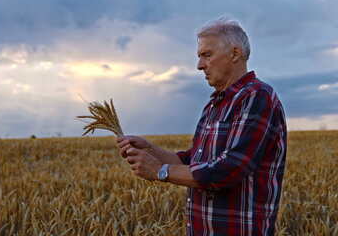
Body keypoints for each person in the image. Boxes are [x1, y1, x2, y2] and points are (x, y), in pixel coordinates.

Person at [116, 17, 288, 236]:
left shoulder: (256, 96)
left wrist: (160, 171)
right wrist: (150, 149)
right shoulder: (214, 104)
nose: (199, 65)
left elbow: (230, 169)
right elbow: (193, 162)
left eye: (207, 55)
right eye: (199, 57)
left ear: (235, 54)